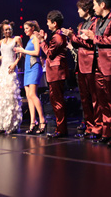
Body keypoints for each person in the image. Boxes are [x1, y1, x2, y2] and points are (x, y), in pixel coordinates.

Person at [81, 0, 111, 146]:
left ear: (102, 5)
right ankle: (106, 132)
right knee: (101, 100)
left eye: (95, 5)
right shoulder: (98, 21)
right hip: (98, 64)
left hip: (110, 65)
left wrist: (94, 37)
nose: (93, 8)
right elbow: (95, 40)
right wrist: (88, 37)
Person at [62, 0, 100, 140]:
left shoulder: (95, 23)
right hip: (81, 63)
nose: (77, 11)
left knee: (94, 98)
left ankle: (97, 127)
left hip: (91, 62)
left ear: (87, 9)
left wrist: (74, 37)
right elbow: (78, 44)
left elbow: (90, 44)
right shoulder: (81, 24)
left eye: (79, 8)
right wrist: (72, 37)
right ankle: (89, 126)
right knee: (84, 98)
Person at [37, 10, 69, 138]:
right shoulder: (56, 35)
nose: (47, 24)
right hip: (55, 72)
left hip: (56, 72)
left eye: (48, 22)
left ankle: (61, 129)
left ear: (54, 23)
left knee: (57, 101)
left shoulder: (57, 37)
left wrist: (42, 42)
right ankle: (60, 128)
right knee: (55, 100)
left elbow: (49, 53)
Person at [0, 21, 23, 134]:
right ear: (3, 31)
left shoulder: (17, 39)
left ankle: (11, 124)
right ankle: (1, 124)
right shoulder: (1, 41)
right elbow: (3, 56)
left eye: (9, 29)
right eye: (6, 29)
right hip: (3, 69)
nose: (8, 31)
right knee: (1, 96)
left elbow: (20, 53)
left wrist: (15, 64)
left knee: (11, 95)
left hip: (11, 68)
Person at [15, 20, 47, 135]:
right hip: (28, 68)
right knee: (28, 96)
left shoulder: (35, 38)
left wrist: (23, 50)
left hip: (34, 67)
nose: (25, 31)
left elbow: (37, 52)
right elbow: (28, 54)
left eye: (27, 28)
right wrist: (21, 50)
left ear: (33, 28)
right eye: (24, 29)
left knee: (33, 94)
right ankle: (33, 122)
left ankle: (42, 120)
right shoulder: (29, 40)